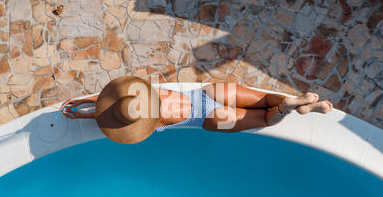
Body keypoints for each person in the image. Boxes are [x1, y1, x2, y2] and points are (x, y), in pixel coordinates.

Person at [61, 76, 333, 144]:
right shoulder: (147, 92)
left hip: (211, 118)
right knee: (263, 98)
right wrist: (81, 102)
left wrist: (84, 114)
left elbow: (107, 116)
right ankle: (301, 103)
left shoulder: (152, 123)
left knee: (264, 118)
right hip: (208, 93)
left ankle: (288, 109)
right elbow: (107, 101)